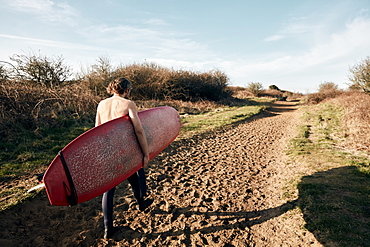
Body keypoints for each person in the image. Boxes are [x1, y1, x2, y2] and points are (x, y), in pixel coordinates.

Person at [95, 77, 153, 239]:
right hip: (123, 150)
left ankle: (108, 227)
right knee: (133, 174)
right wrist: (145, 152)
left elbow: (97, 131)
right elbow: (139, 130)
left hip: (107, 151)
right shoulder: (128, 104)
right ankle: (141, 203)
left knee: (111, 187)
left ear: (112, 89)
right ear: (127, 90)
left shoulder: (101, 104)